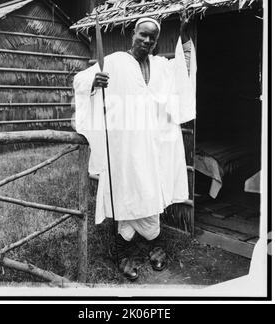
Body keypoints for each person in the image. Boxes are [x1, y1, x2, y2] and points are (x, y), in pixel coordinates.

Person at [73, 17, 195, 281]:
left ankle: (155, 245)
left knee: (151, 191)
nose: (147, 41)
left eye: (152, 37)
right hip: (125, 146)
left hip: (153, 145)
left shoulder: (161, 66)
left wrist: (184, 35)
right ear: (133, 34)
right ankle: (123, 252)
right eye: (143, 35)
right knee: (127, 191)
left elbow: (183, 71)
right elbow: (79, 80)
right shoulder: (115, 61)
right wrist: (96, 80)